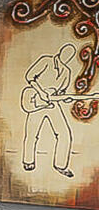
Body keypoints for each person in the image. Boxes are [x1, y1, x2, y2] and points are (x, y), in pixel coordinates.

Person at [21, 42, 82, 178]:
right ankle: (28, 161)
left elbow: (61, 92)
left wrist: (65, 98)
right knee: (32, 134)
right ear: (60, 52)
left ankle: (61, 165)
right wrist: (41, 92)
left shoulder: (67, 72)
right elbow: (30, 77)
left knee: (64, 133)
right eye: (65, 54)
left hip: (52, 104)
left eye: (70, 56)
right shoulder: (46, 61)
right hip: (36, 101)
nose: (67, 57)